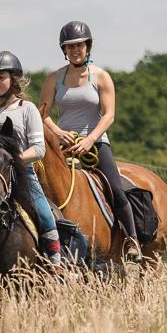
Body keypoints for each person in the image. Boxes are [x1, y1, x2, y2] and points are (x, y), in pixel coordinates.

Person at [39, 20, 142, 262]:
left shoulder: (101, 77)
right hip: (62, 145)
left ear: (88, 46)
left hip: (94, 144)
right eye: (70, 46)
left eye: (80, 45)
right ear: (64, 50)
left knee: (116, 189)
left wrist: (90, 140)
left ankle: (131, 239)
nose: (75, 50)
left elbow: (109, 115)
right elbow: (42, 113)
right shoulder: (54, 78)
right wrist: (57, 132)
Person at [0, 51, 62, 267]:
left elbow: (39, 149)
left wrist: (13, 161)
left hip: (22, 174)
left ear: (13, 79)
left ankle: (56, 264)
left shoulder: (27, 109)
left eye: (1, 77)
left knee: (46, 216)